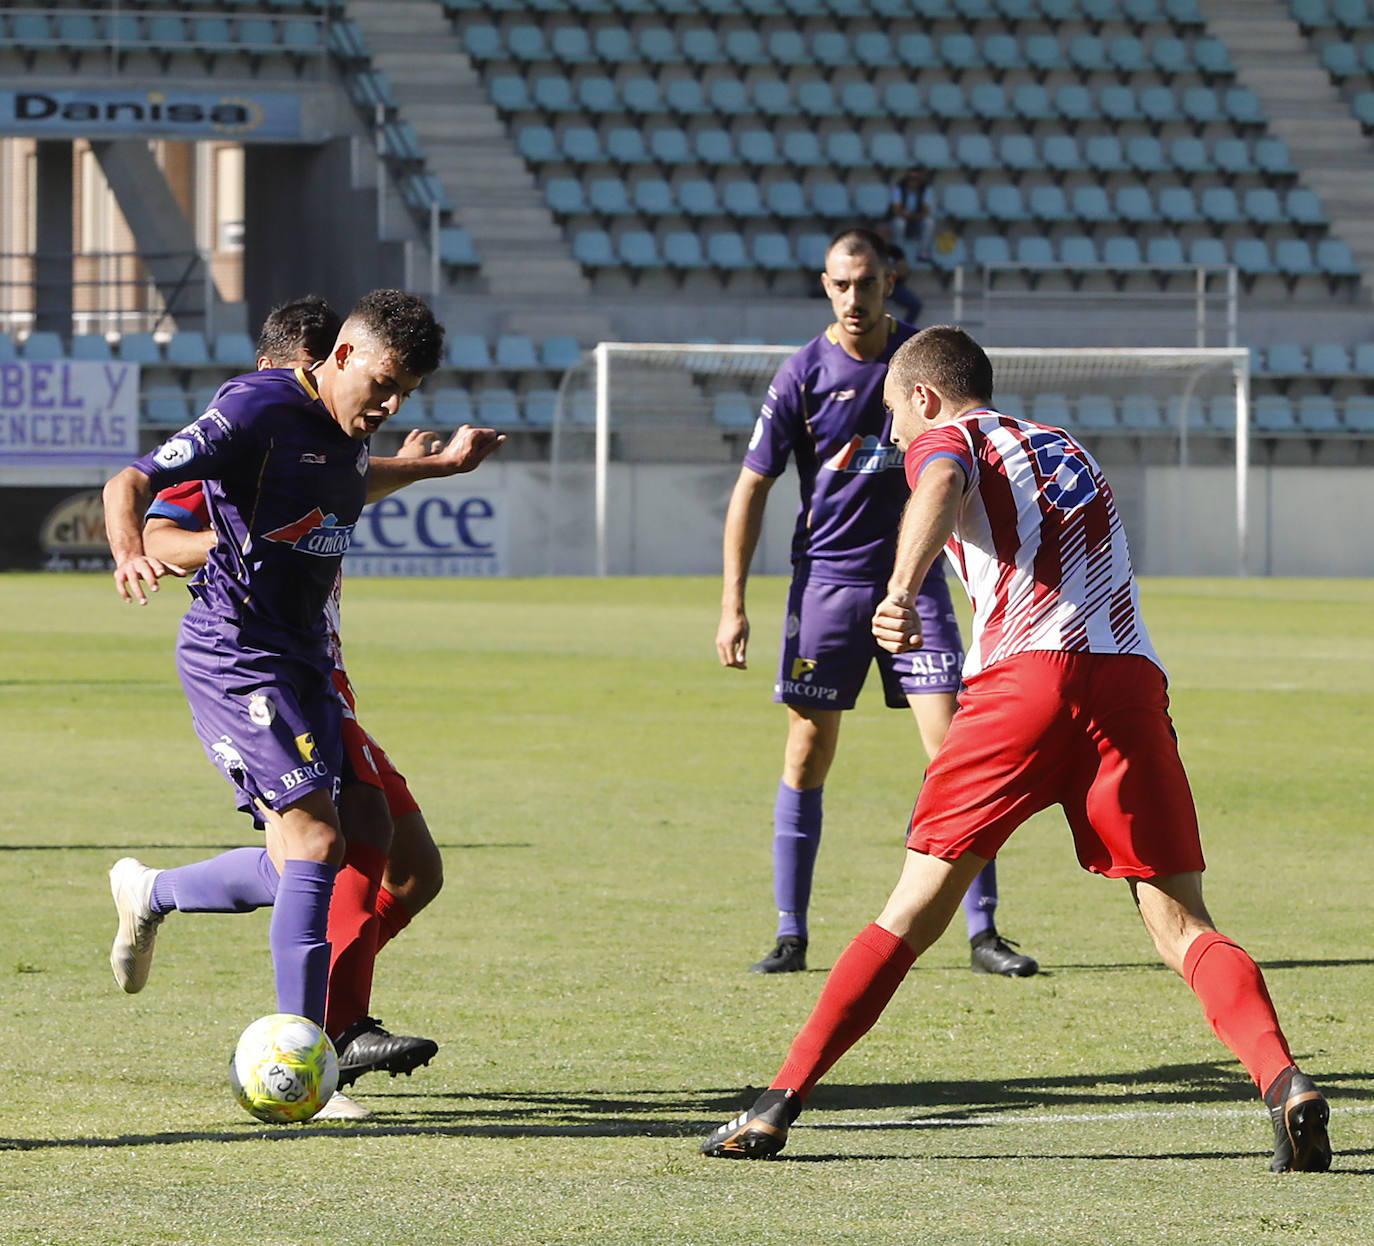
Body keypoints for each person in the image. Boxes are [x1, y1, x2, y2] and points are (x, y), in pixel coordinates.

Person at [701, 325, 1332, 1174]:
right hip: (1131, 684)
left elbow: (941, 477)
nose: (893, 435)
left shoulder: (947, 436)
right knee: (1182, 921)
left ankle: (778, 1100)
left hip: (1025, 686)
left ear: (923, 395)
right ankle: (1285, 1081)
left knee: (911, 910)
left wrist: (897, 589)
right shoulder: (1066, 443)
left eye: (894, 414)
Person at [102, 290, 499, 1107]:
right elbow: (133, 480)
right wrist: (127, 551)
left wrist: (439, 467)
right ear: (341, 356)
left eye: (407, 393)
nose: (390, 406)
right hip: (237, 657)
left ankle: (154, 891)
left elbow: (348, 479)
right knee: (317, 845)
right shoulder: (258, 406)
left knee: (344, 846)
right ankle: (308, 1056)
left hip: (306, 661)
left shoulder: (345, 434)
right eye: (384, 384)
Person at [717, 228, 1036, 979]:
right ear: (824, 286)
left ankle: (983, 931)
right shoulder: (801, 373)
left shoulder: (923, 370)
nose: (851, 298)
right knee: (806, 752)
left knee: (956, 753)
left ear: (890, 281)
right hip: (826, 586)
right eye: (838, 284)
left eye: (863, 283)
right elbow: (752, 486)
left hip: (916, 584)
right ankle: (791, 933)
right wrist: (733, 601)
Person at [887, 166, 935, 263]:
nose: (913, 181)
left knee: (929, 222)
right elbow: (896, 210)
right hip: (902, 220)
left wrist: (912, 216)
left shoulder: (926, 189)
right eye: (911, 178)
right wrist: (906, 215)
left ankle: (923, 252)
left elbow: (926, 212)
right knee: (899, 222)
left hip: (916, 221)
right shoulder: (899, 188)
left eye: (916, 179)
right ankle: (897, 253)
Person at [886, 243, 923, 327]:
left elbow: (903, 271)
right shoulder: (873, 249)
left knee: (916, 305)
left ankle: (905, 329)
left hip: (895, 287)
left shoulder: (894, 250)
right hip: (877, 285)